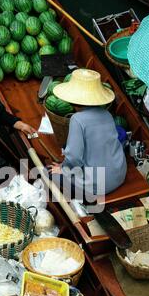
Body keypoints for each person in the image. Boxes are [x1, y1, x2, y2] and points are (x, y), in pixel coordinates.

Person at [49, 69, 127, 201]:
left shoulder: (77, 119)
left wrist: (62, 169)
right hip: (119, 175)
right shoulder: (107, 114)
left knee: (48, 172)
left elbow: (74, 158)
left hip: (98, 186)